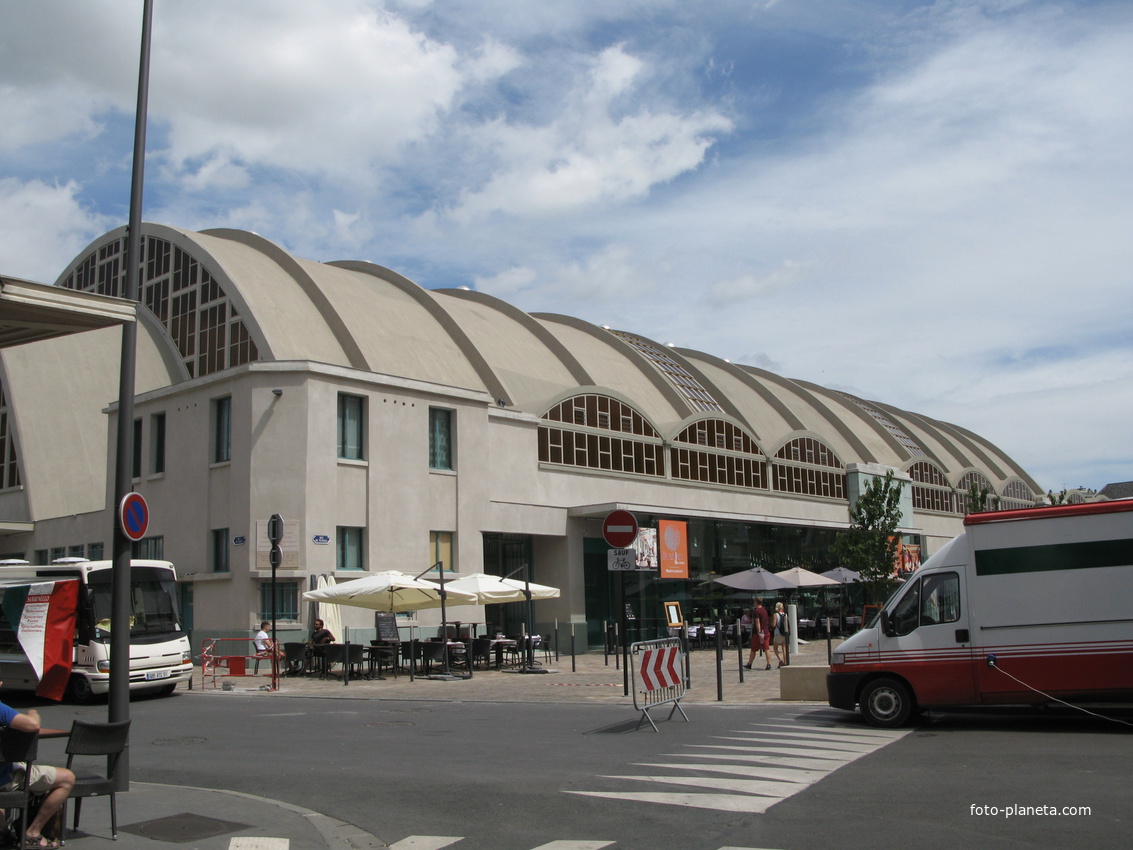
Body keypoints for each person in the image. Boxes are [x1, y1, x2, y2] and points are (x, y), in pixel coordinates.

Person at [0, 689, 75, 849]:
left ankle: (4, 831)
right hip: (5, 779)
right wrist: (33, 712)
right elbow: (32, 725)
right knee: (67, 778)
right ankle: (33, 832)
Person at [745, 598, 772, 670]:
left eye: (754, 602)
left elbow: (757, 622)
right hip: (766, 631)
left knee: (753, 649)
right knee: (767, 648)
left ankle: (749, 664)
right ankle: (769, 664)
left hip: (758, 633)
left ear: (756, 602)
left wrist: (759, 632)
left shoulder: (756, 611)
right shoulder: (765, 610)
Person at [771, 601, 789, 667]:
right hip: (784, 633)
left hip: (778, 633)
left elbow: (774, 624)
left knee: (775, 648)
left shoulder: (776, 614)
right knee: (784, 648)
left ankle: (780, 660)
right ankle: (785, 661)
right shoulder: (785, 614)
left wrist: (771, 623)